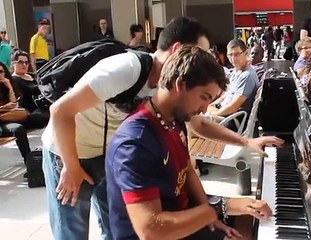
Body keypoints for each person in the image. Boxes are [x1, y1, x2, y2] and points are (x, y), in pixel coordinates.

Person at [42, 16, 283, 240]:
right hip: (69, 149)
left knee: (113, 223)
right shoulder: (126, 69)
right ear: (179, 51)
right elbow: (60, 110)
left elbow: (197, 124)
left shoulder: (169, 104)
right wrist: (70, 166)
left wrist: (246, 142)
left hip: (107, 151)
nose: (203, 61)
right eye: (197, 53)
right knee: (72, 230)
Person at [106, 45, 272, 240]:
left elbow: (187, 170)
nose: (204, 108)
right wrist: (216, 209)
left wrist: (211, 218)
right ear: (180, 84)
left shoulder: (174, 119)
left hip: (181, 222)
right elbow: (151, 230)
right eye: (204, 97)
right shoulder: (135, 144)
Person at [208, 39, 259, 131]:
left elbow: (234, 106)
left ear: (246, 53)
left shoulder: (247, 76)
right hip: (224, 113)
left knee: (194, 124)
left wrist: (213, 114)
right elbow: (226, 95)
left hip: (231, 120)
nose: (233, 59)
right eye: (230, 55)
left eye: (237, 54)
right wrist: (211, 106)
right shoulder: (236, 72)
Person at [0, 61, 31, 164]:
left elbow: (14, 103)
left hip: (5, 119)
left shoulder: (5, 85)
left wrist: (9, 86)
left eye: (1, 72)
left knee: (19, 128)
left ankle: (29, 162)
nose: (0, 75)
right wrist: (5, 107)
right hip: (3, 118)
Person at [11, 50, 49, 129]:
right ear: (13, 63)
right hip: (30, 112)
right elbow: (33, 90)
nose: (24, 65)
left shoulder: (30, 75)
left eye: (26, 62)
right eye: (20, 62)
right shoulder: (14, 79)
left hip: (42, 106)